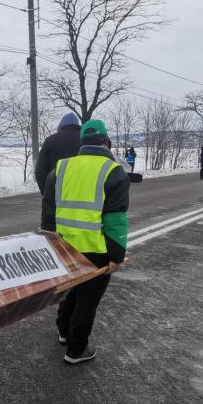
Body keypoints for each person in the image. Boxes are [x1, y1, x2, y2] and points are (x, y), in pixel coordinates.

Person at [41, 119, 129, 364]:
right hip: (96, 249)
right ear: (106, 141)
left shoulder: (61, 168)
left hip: (64, 247)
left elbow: (48, 212)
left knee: (71, 290)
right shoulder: (113, 171)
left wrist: (49, 244)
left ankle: (62, 331)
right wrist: (116, 255)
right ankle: (76, 349)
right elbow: (115, 219)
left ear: (83, 142)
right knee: (87, 300)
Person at [34, 112, 81, 193]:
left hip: (55, 192)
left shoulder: (49, 141)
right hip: (81, 191)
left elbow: (40, 172)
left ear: (61, 126)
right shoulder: (85, 141)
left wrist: (46, 193)